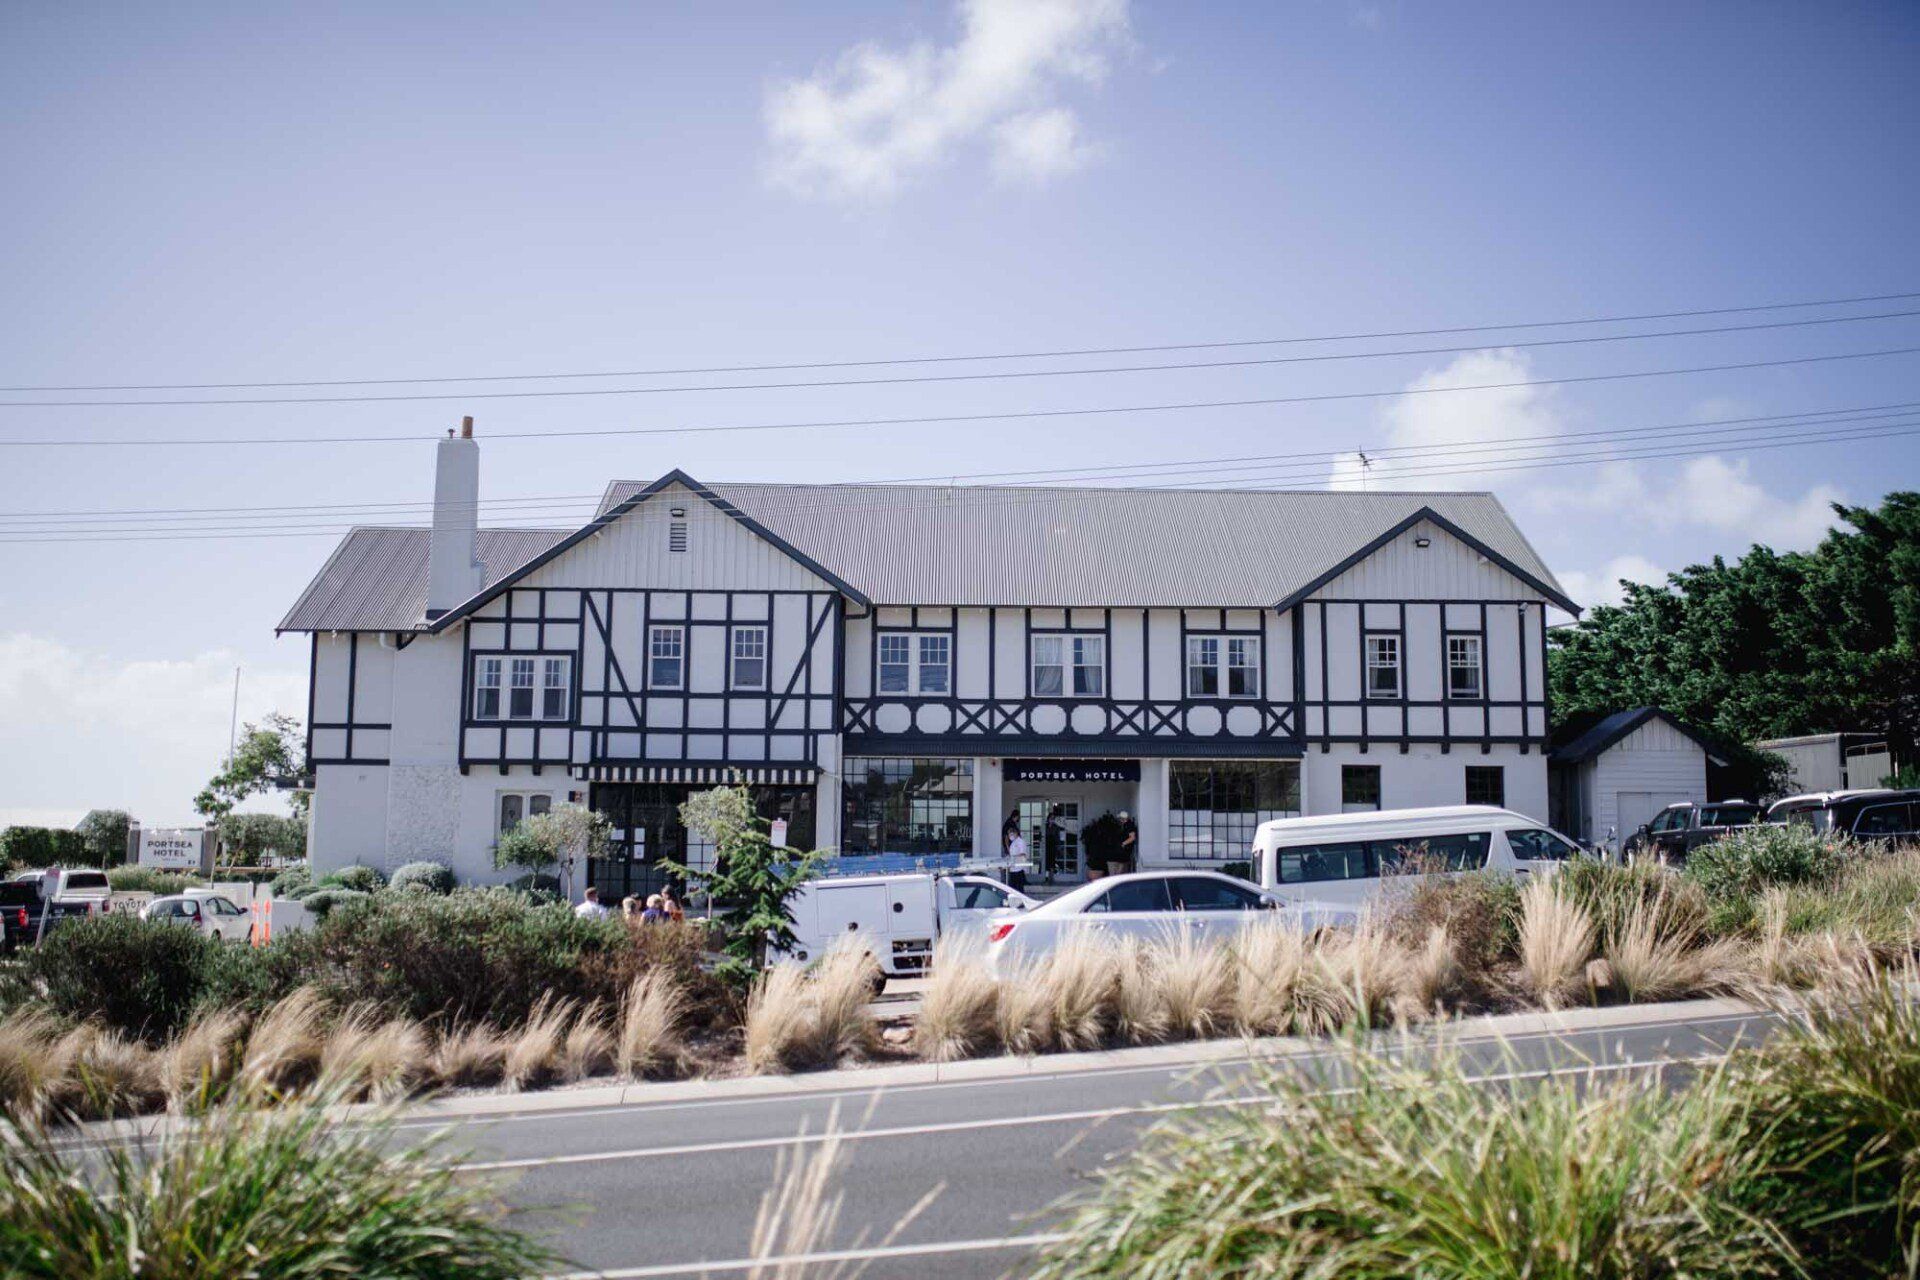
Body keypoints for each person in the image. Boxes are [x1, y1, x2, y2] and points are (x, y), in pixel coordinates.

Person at [1005, 826, 1030, 894]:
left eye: (1011, 834)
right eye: (1009, 835)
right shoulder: (1013, 843)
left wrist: (1013, 857)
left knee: (1019, 888)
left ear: (1015, 833)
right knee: (1012, 888)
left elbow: (1022, 854)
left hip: (1019, 868)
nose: (1010, 836)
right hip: (1013, 868)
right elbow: (1011, 853)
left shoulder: (1020, 842)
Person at [1116, 809, 1139, 874]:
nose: (1119, 820)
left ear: (1123, 818)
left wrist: (1123, 844)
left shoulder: (1129, 825)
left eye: (1120, 818)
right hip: (1123, 852)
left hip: (1126, 852)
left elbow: (1132, 837)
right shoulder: (1125, 825)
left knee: (1121, 871)